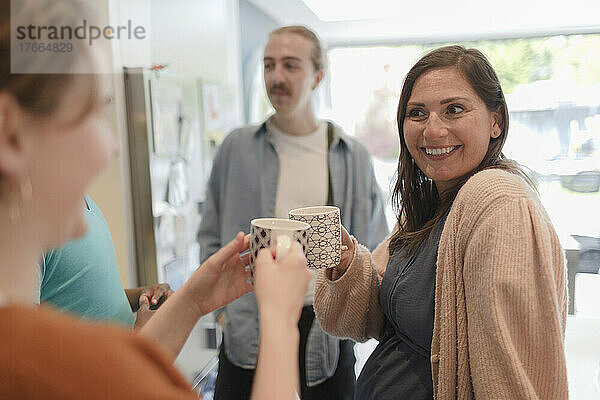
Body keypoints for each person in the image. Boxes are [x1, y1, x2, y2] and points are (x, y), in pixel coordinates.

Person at [0, 1, 310, 399]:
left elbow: (115, 383)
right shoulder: (37, 363)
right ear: (10, 135)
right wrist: (281, 322)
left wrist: (195, 298)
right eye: (91, 115)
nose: (111, 147)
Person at [314, 45, 568, 399]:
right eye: (417, 113)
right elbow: (376, 318)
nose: (432, 131)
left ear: (496, 121)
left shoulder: (499, 205)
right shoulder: (427, 204)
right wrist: (347, 264)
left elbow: (513, 379)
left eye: (454, 110)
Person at [197, 25, 388, 400]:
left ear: (318, 76)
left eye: (290, 65)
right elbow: (209, 236)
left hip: (327, 332)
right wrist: (224, 313)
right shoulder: (236, 148)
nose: (276, 77)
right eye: (269, 65)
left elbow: (372, 246)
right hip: (249, 326)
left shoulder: (351, 157)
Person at [37, 194, 173, 329]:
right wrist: (139, 336)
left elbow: (87, 299)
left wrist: (143, 295)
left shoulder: (86, 201)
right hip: (125, 349)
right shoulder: (30, 223)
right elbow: (21, 343)